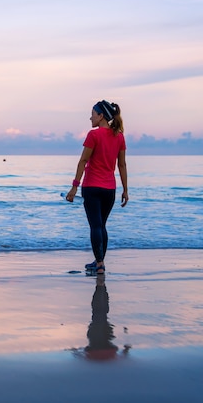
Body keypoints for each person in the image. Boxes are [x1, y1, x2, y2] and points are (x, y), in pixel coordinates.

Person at [65, 100, 128, 274]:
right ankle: (99, 261)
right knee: (102, 225)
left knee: (95, 226)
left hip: (92, 187)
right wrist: (126, 190)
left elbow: (83, 161)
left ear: (101, 116)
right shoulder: (119, 137)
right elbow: (122, 165)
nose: (90, 117)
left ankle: (99, 264)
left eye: (93, 113)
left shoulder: (94, 135)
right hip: (109, 189)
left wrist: (74, 187)